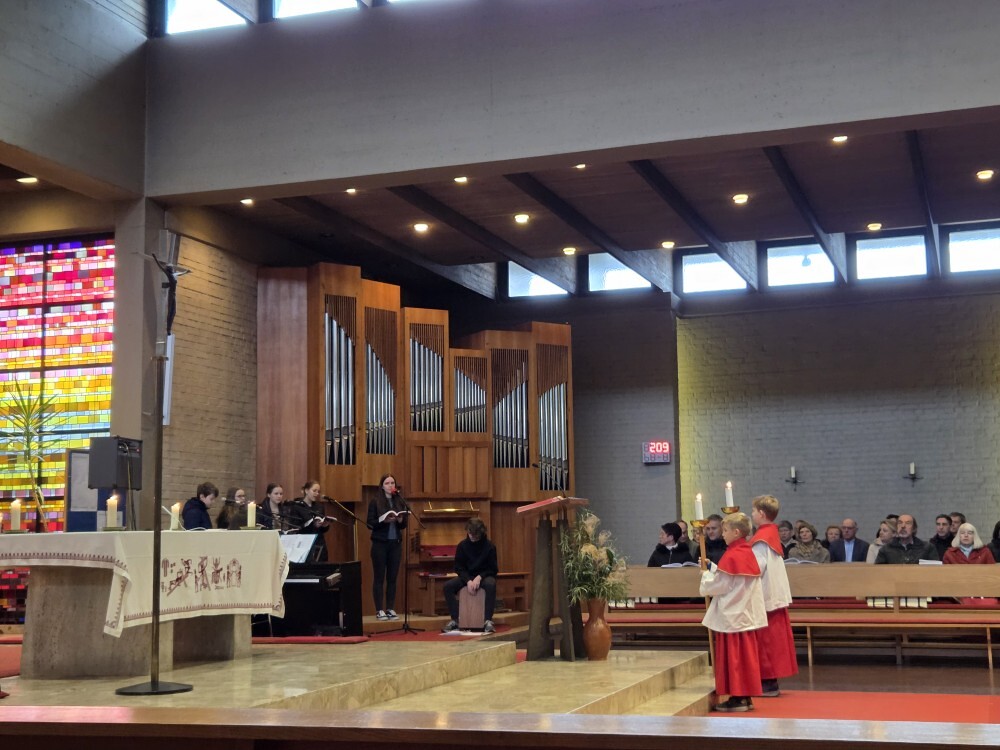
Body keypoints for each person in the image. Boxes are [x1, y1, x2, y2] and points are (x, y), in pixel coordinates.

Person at [699, 512, 766, 712]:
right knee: (745, 658)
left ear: (736, 532)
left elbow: (721, 585)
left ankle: (737, 697)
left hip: (733, 615)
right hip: (744, 612)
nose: (722, 534)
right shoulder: (746, 552)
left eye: (725, 530)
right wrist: (713, 568)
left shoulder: (732, 555)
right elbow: (732, 578)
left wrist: (705, 576)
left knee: (735, 659)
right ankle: (745, 696)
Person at [749, 495, 797, 698]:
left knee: (766, 641)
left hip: (764, 596)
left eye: (753, 511)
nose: (752, 515)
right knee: (771, 640)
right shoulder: (771, 534)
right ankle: (769, 681)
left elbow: (755, 568)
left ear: (761, 513)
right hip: (773, 594)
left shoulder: (761, 539)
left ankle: (767, 682)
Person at [443, 518, 499, 633]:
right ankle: (456, 619)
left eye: (475, 534)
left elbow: (493, 569)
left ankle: (487, 620)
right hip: (467, 576)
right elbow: (459, 567)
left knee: (491, 585)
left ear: (481, 533)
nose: (472, 536)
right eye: (470, 533)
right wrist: (468, 580)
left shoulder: (490, 546)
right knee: (448, 586)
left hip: (483, 576)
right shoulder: (462, 546)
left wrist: (479, 577)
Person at [367, 473, 408, 621]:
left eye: (392, 483)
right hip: (380, 544)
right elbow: (370, 523)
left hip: (395, 543)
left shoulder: (399, 501)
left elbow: (403, 525)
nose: (390, 486)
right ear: (382, 486)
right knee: (379, 577)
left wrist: (400, 520)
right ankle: (379, 610)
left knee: (392, 578)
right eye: (387, 483)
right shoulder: (375, 501)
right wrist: (383, 521)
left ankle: (390, 608)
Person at [286, 480, 330, 562]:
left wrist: (325, 525)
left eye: (318, 491)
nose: (316, 493)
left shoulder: (319, 506)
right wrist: (312, 525)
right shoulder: (297, 506)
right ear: (306, 490)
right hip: (305, 544)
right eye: (314, 491)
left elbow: (322, 529)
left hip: (319, 543)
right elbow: (295, 528)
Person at [874, 514, 939, 563]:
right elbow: (878, 572)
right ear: (896, 527)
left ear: (914, 528)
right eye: (900, 523)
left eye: (908, 523)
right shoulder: (885, 550)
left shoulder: (928, 548)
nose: (903, 526)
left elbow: (935, 571)